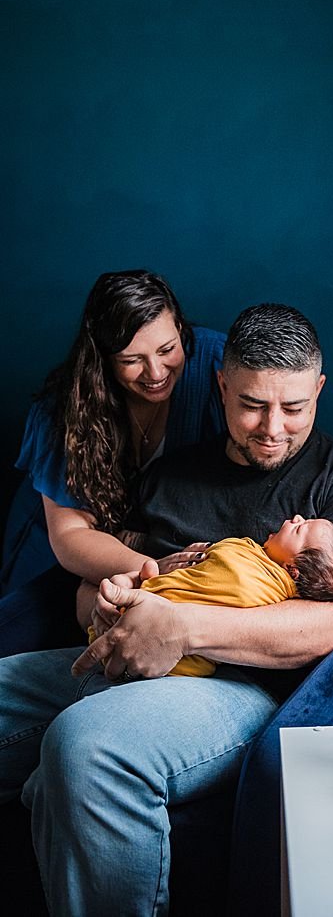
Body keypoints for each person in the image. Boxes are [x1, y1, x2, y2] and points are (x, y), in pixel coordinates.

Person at [0, 302, 333, 916]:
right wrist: (108, 602)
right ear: (220, 385)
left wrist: (180, 628)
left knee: (88, 744)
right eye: (251, 405)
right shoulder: (172, 478)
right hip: (114, 650)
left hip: (244, 688)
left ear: (319, 389)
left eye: (294, 408)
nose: (272, 428)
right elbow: (93, 583)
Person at [0, 269, 227, 654]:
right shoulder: (62, 410)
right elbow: (71, 536)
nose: (156, 373)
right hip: (59, 545)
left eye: (167, 349)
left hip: (155, 541)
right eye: (132, 360)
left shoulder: (216, 363)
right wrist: (152, 571)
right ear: (103, 359)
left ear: (181, 329)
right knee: (18, 645)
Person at [90, 514, 333, 677]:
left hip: (162, 655)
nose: (296, 518)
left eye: (301, 529)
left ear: (292, 570)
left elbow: (217, 589)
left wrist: (149, 592)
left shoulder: (252, 581)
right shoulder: (255, 559)